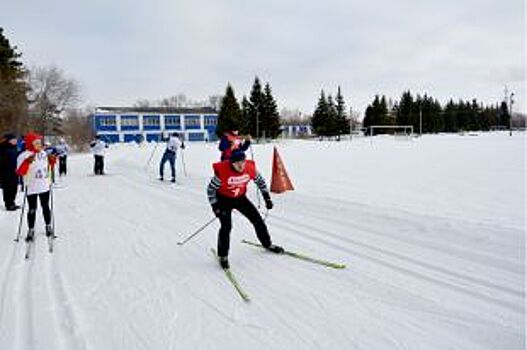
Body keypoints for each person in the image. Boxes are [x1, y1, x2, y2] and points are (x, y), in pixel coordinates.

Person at [207, 149, 283, 269]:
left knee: (257, 220)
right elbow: (210, 190)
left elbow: (261, 182)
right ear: (231, 163)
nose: (240, 165)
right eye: (237, 163)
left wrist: (267, 198)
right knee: (226, 226)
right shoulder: (222, 173)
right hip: (223, 200)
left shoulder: (249, 169)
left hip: (240, 198)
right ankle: (223, 256)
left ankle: (267, 244)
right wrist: (215, 206)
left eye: (242, 161)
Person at [16, 132, 56, 240]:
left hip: (44, 186)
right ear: (30, 144)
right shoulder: (23, 155)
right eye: (36, 143)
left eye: (40, 143)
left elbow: (48, 165)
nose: (39, 145)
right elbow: (20, 172)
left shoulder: (43, 153)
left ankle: (48, 226)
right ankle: (31, 229)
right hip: (32, 187)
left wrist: (52, 161)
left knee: (46, 207)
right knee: (32, 209)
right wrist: (26, 162)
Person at [0, 133, 20, 211]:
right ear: (9, 140)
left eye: (15, 139)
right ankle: (8, 204)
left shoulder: (15, 148)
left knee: (14, 188)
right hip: (6, 172)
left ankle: (12, 202)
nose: (15, 141)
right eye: (13, 140)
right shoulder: (3, 148)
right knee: (8, 188)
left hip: (15, 172)